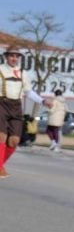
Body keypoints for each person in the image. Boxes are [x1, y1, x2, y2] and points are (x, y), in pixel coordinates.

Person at [0, 47, 49, 178]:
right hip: (1, 104)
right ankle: (0, 168)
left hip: (16, 106)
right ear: (6, 57)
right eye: (12, 56)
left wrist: (43, 101)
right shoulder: (1, 69)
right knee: (1, 136)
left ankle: (0, 164)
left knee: (14, 141)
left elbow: (28, 92)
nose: (14, 58)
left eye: (17, 56)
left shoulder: (23, 73)